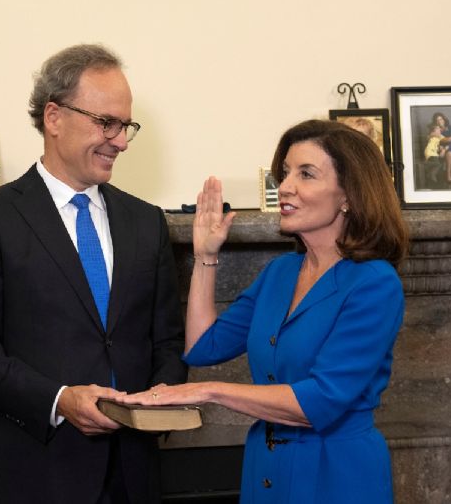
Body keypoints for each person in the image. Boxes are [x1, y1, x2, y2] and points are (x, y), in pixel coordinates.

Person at [0, 44, 186, 503]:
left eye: (126, 125)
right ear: (54, 118)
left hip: (134, 476)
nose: (122, 140)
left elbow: (167, 341)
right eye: (106, 123)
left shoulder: (146, 221)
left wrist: (158, 403)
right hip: (35, 474)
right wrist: (58, 399)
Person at [121, 119, 409, 503]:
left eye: (306, 174)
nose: (285, 186)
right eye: (285, 172)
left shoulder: (375, 283)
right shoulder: (280, 273)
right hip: (265, 466)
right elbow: (204, 347)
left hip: (336, 472)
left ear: (349, 196)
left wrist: (208, 391)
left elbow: (319, 402)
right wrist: (206, 255)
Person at [432, 112, 451, 184]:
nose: (439, 121)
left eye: (441, 119)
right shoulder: (436, 130)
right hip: (442, 148)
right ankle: (448, 175)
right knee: (450, 154)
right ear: (436, 122)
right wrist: (443, 149)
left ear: (444, 119)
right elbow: (439, 141)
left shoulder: (450, 127)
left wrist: (449, 141)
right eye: (437, 120)